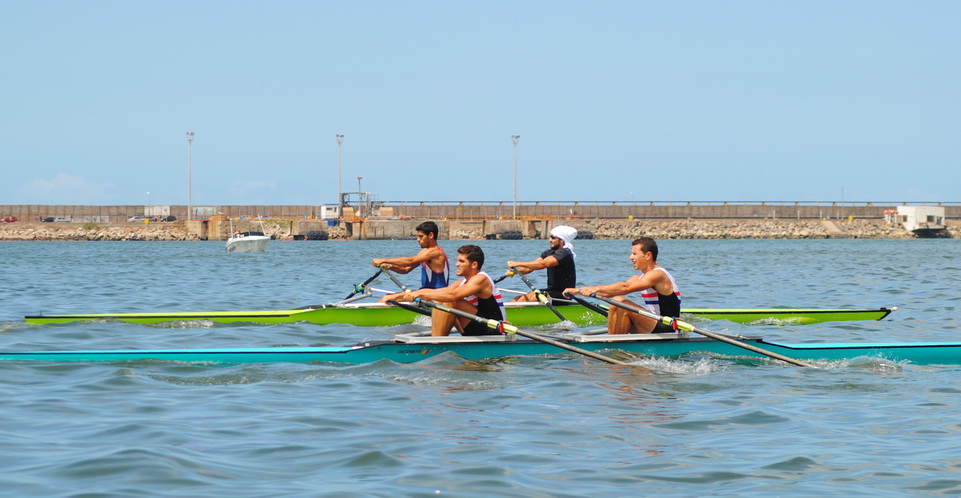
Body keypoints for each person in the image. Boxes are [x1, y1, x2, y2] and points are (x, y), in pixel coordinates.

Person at [563, 237, 681, 334]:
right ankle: (615, 345)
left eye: (634, 254)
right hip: (653, 324)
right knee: (615, 304)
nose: (630, 257)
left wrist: (591, 289)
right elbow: (610, 292)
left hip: (666, 327)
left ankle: (615, 348)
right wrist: (579, 291)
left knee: (619, 302)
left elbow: (625, 288)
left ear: (648, 255)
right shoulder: (639, 277)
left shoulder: (657, 275)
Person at [386, 245, 505, 337]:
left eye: (461, 261)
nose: (456, 264)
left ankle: (436, 343)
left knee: (451, 301)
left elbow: (453, 295)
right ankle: (437, 339)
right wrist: (396, 297)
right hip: (474, 329)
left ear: (474, 264)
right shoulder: (460, 283)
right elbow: (441, 293)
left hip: (493, 330)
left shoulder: (481, 279)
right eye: (458, 260)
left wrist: (419, 293)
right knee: (440, 298)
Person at [371, 221, 449, 301]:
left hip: (437, 295)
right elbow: (406, 269)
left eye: (421, 236)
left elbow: (410, 261)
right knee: (388, 296)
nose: (418, 239)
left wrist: (383, 260)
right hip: (426, 292)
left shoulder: (436, 252)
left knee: (387, 298)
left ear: (431, 235)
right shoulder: (424, 253)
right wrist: (390, 267)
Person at [505, 225, 577, 302]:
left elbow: (543, 264)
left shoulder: (566, 253)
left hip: (564, 294)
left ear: (562, 240)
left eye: (553, 237)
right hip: (552, 291)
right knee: (516, 300)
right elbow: (530, 267)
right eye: (550, 237)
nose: (550, 240)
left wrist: (517, 263)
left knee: (523, 300)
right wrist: (515, 272)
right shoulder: (548, 253)